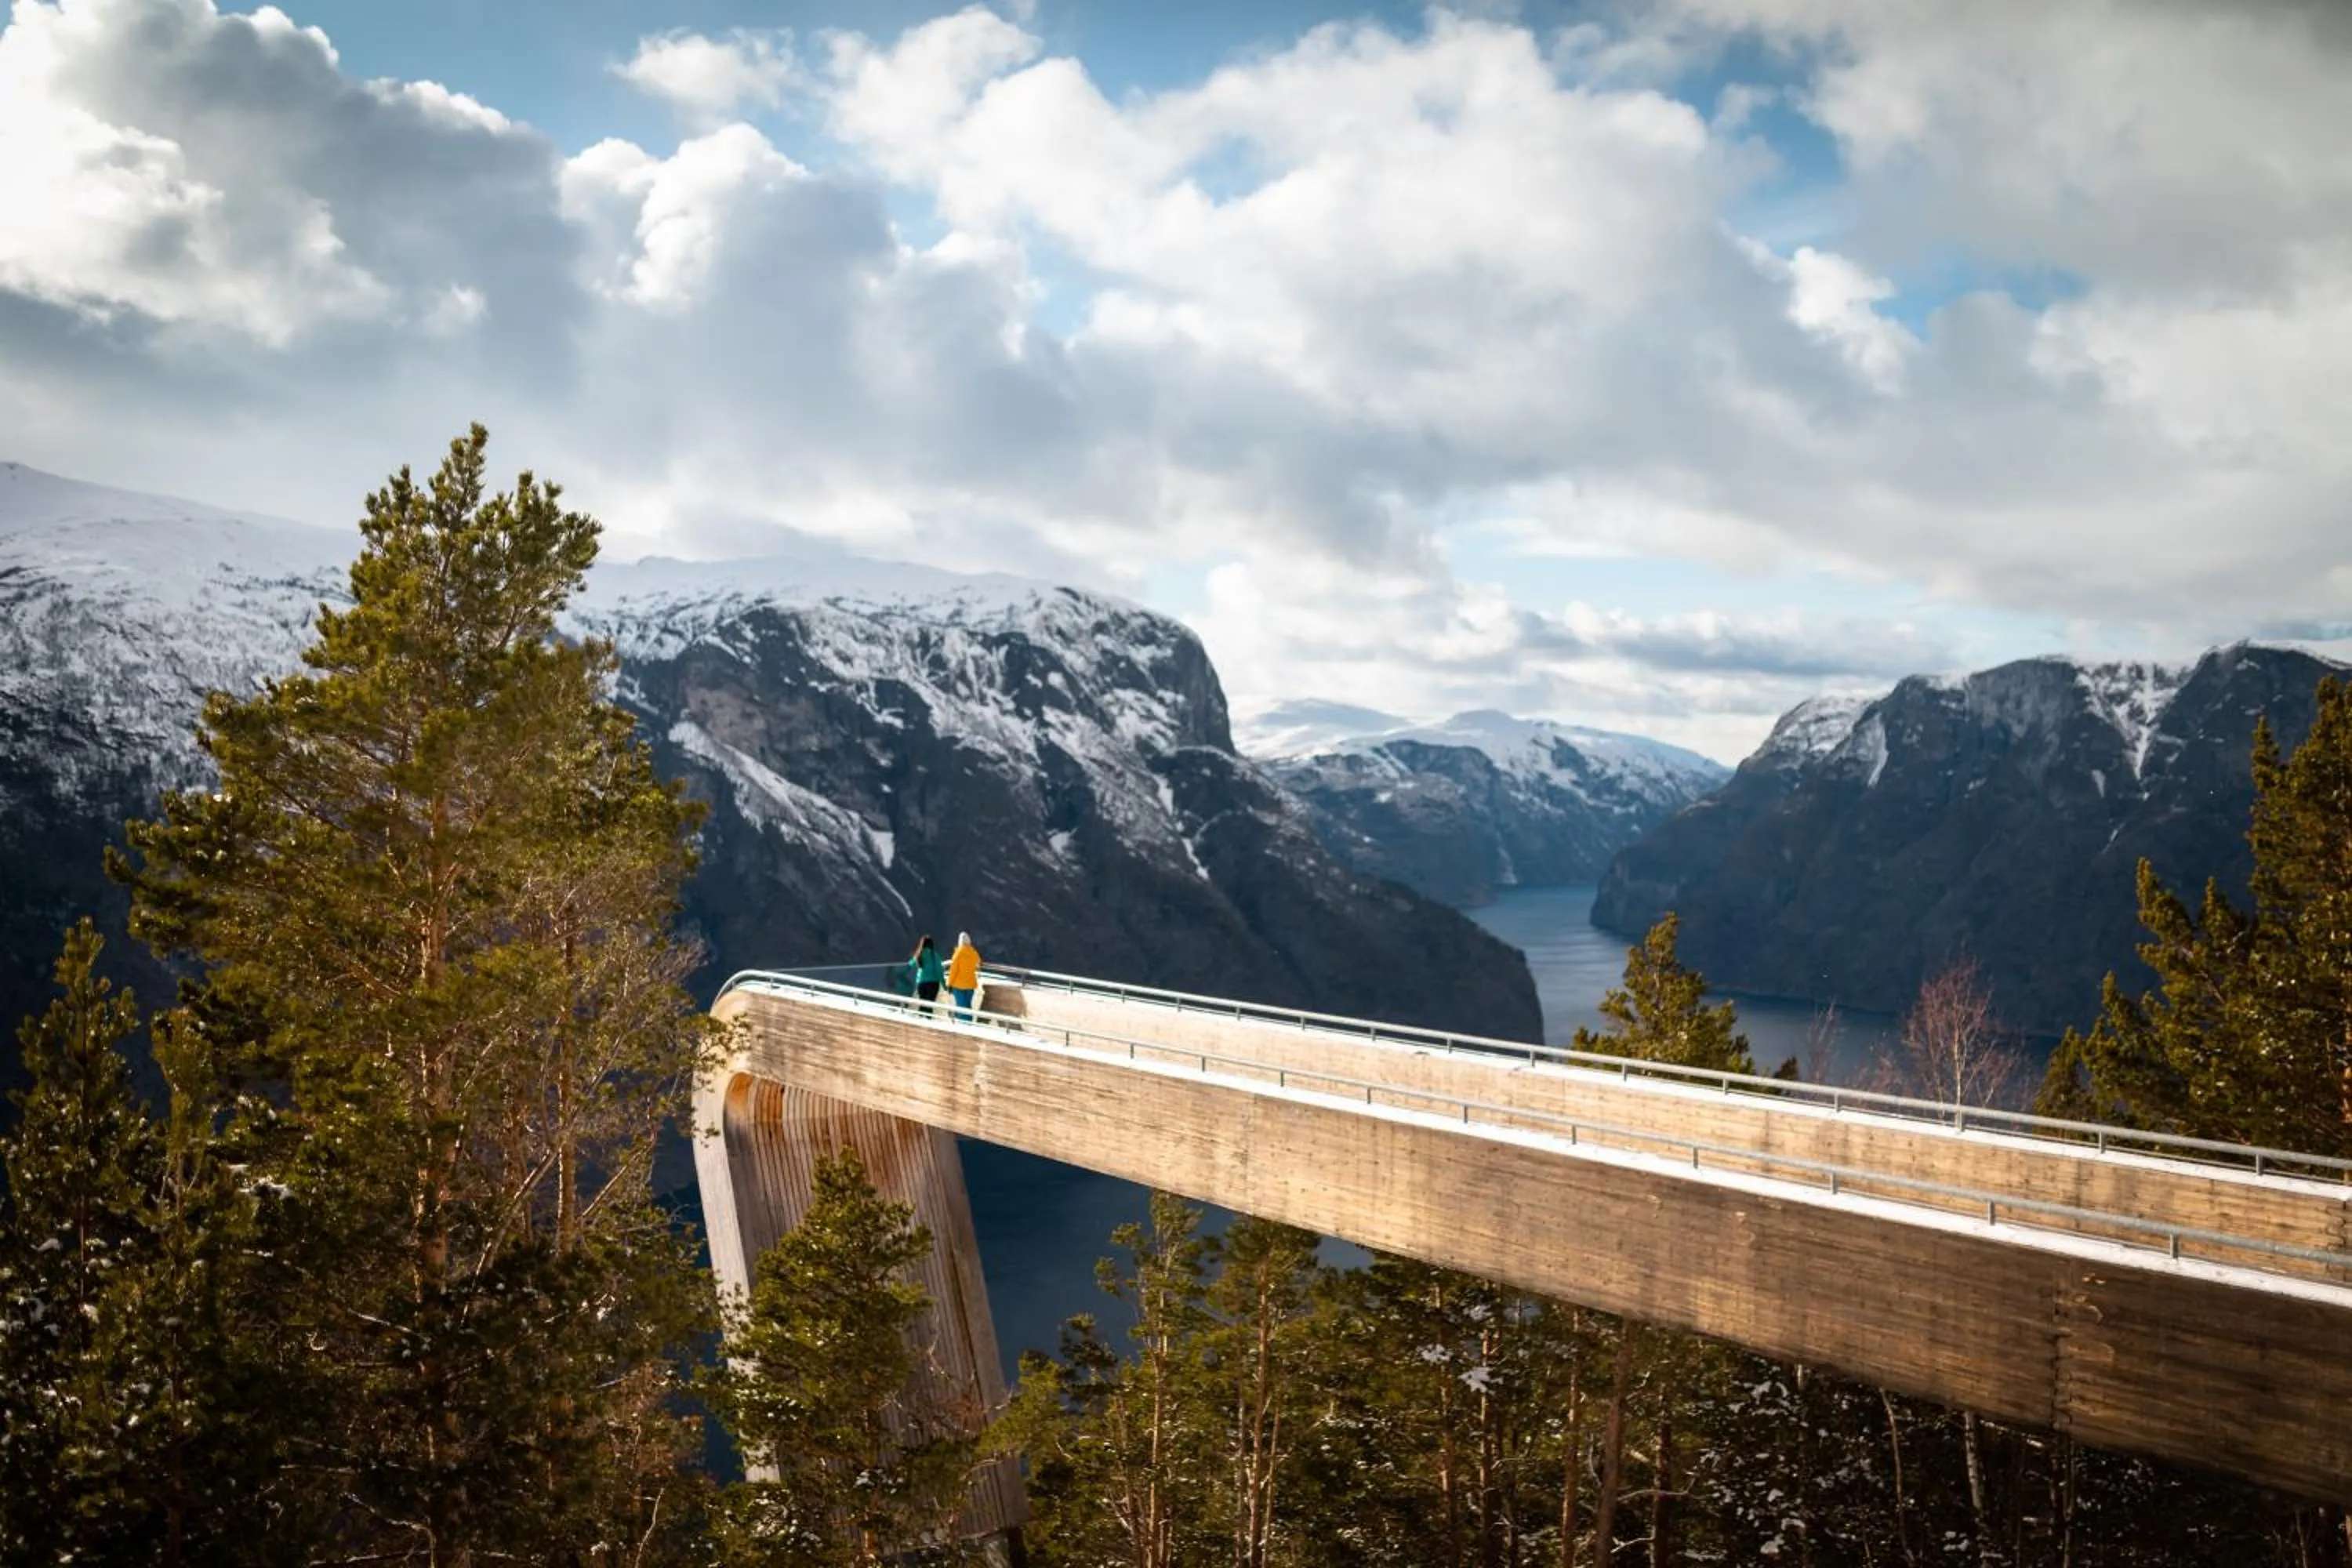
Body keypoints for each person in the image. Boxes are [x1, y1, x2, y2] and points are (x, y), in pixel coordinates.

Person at [946, 931, 982, 1022]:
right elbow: (979, 964)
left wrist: (949, 984)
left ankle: (966, 1027)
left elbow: (953, 972)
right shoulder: (974, 953)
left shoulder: (958, 954)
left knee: (962, 1009)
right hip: (970, 986)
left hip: (959, 986)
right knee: (968, 1007)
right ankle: (965, 1023)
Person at [906, 934, 945, 1014]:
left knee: (923, 1004)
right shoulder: (935, 956)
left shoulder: (919, 955)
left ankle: (921, 1020)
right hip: (933, 983)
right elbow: (939, 971)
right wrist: (944, 985)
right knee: (929, 1005)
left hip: (921, 983)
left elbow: (910, 964)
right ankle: (928, 1021)